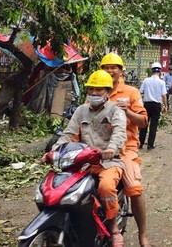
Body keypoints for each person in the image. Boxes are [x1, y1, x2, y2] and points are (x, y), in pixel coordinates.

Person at [44, 70, 127, 246]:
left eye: (99, 90)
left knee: (105, 187)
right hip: (82, 162)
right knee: (63, 188)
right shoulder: (80, 111)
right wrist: (54, 151)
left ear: (108, 91)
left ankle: (114, 229)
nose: (94, 93)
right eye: (91, 90)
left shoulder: (115, 111)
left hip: (108, 162)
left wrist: (111, 148)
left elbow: (120, 132)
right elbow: (68, 134)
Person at [99, 53, 152, 247]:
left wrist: (126, 111)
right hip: (100, 147)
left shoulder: (130, 92)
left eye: (114, 67)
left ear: (121, 71)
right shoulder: (96, 91)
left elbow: (144, 122)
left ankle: (143, 235)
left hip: (126, 148)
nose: (110, 70)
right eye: (106, 67)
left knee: (134, 188)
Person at [139, 62, 167, 149]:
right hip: (156, 105)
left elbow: (141, 92)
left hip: (147, 104)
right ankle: (150, 145)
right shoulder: (161, 82)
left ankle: (141, 143)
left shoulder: (146, 80)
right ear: (160, 71)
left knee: (144, 124)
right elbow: (163, 95)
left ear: (152, 71)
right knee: (153, 125)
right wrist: (165, 106)